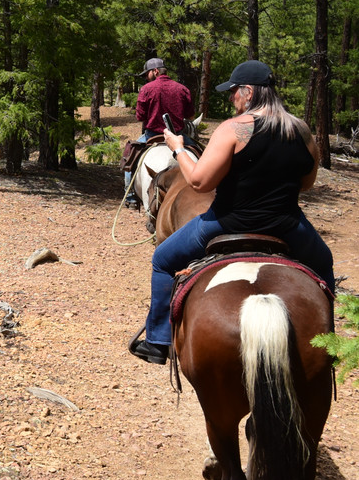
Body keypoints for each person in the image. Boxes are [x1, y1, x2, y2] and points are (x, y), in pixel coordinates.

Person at [129, 60, 336, 365]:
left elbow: (199, 181)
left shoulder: (234, 129)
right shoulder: (301, 130)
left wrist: (178, 149)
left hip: (226, 223)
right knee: (324, 263)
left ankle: (158, 341)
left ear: (249, 91)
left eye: (234, 91)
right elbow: (306, 183)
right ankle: (329, 345)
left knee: (162, 260)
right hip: (287, 225)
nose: (231, 98)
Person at [124, 57, 193, 209]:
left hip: (152, 135)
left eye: (147, 74)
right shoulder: (182, 89)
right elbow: (190, 114)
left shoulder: (146, 89)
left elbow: (140, 116)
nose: (145, 78)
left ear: (155, 71)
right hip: (177, 135)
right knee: (201, 154)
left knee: (130, 157)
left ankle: (130, 196)